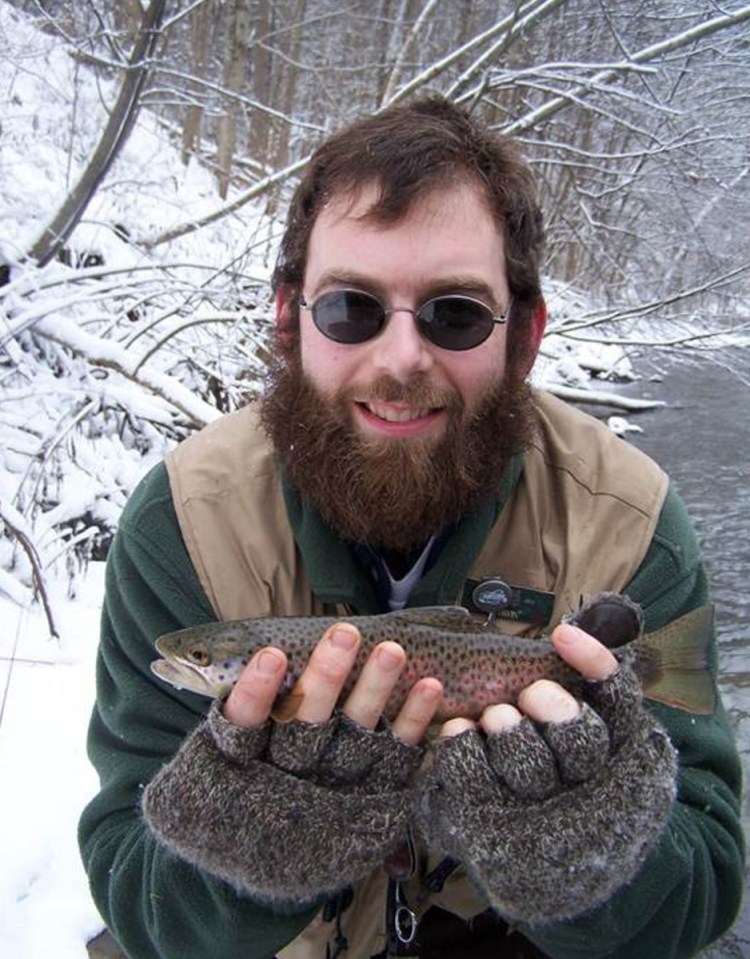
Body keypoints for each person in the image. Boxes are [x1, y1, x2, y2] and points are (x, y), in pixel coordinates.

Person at [78, 96, 744, 959]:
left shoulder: (631, 522)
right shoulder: (183, 525)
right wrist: (238, 856)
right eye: (351, 307)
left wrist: (594, 863)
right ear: (288, 320)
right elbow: (139, 894)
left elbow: (707, 885)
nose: (401, 360)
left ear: (527, 336)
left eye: (455, 313)